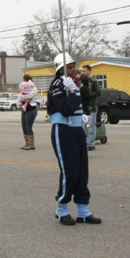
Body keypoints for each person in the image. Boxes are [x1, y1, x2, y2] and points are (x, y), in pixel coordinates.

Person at [48, 53, 100, 225]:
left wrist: (84, 114)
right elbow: (65, 109)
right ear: (60, 69)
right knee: (69, 170)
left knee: (81, 171)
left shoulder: (73, 84)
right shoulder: (57, 84)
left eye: (73, 66)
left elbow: (79, 104)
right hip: (63, 130)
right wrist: (72, 94)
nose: (73, 70)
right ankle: (62, 208)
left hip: (77, 129)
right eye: (69, 67)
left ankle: (83, 210)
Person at [80, 65, 101, 151]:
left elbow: (98, 92)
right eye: (82, 71)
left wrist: (88, 95)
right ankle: (82, 143)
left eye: (84, 71)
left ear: (89, 71)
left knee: (91, 126)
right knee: (82, 126)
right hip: (83, 108)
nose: (83, 73)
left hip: (91, 107)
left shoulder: (93, 81)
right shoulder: (81, 82)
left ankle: (91, 144)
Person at [17, 74, 38, 150]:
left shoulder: (34, 88)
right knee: (24, 126)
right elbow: (19, 96)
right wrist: (22, 97)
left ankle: (31, 144)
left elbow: (29, 96)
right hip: (24, 110)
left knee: (28, 126)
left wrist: (22, 97)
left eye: (24, 79)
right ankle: (27, 143)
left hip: (31, 109)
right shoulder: (24, 88)